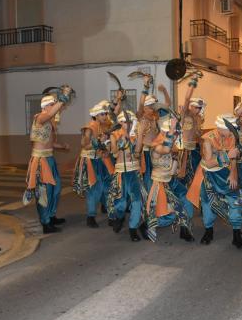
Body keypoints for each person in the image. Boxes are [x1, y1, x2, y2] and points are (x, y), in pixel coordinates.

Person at [186, 113, 242, 249]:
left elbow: (234, 157)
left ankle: (236, 234)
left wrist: (233, 173)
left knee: (235, 200)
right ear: (220, 127)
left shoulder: (232, 135)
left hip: (225, 172)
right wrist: (226, 155)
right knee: (208, 204)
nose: (232, 132)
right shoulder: (208, 139)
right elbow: (209, 162)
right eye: (230, 129)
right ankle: (208, 231)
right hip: (208, 174)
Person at [24, 86, 72, 234]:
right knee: (44, 192)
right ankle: (46, 223)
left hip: (49, 158)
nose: (55, 109)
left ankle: (51, 216)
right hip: (40, 160)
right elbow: (52, 112)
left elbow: (48, 142)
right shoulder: (40, 117)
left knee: (56, 189)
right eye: (52, 105)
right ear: (46, 107)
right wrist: (63, 96)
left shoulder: (50, 121)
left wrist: (61, 146)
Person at [144, 105, 194, 243]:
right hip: (160, 183)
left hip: (171, 180)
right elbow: (165, 150)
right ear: (166, 132)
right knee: (165, 214)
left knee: (186, 199)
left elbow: (174, 157)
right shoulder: (156, 145)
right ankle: (149, 224)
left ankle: (185, 229)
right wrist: (173, 129)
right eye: (174, 133)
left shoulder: (171, 142)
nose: (177, 135)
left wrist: (182, 116)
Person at [72, 100, 115, 228]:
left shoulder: (105, 125)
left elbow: (104, 144)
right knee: (94, 189)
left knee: (108, 186)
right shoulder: (90, 127)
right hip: (90, 161)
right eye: (102, 114)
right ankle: (90, 216)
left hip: (101, 159)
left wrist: (106, 150)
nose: (105, 116)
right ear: (96, 115)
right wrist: (97, 142)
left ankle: (111, 214)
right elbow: (84, 145)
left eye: (105, 114)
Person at [107, 110, 146, 242]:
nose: (125, 124)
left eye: (128, 121)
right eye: (123, 122)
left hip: (134, 171)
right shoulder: (114, 135)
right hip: (120, 173)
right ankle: (119, 217)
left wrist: (140, 134)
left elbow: (137, 152)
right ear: (119, 122)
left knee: (137, 201)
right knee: (120, 202)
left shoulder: (135, 135)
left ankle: (133, 229)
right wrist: (121, 144)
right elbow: (114, 153)